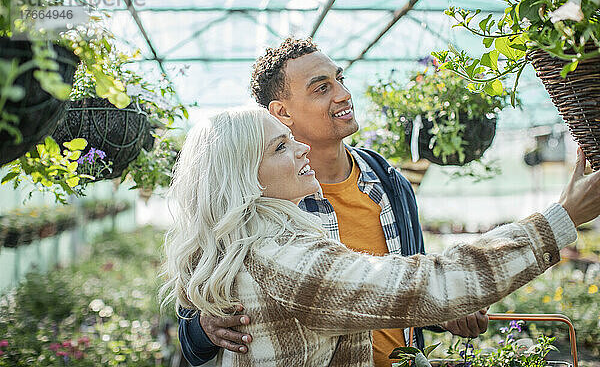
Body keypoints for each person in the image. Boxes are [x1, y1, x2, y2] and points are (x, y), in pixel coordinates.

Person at [163, 107, 599, 367]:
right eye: (280, 146)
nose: (300, 149)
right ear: (243, 179)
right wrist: (561, 218)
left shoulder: (243, 244)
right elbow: (428, 282)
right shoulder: (281, 259)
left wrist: (431, 313)